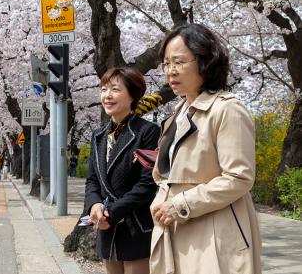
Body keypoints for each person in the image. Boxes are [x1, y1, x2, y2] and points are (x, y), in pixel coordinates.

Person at [150, 23, 262, 274]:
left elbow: (239, 177)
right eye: (166, 63)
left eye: (179, 62)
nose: (170, 71)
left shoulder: (227, 109)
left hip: (215, 232)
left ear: (205, 61)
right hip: (177, 227)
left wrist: (180, 204)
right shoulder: (176, 115)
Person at [85, 67, 160, 274]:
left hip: (135, 225)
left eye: (115, 89)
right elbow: (92, 180)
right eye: (103, 89)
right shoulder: (98, 135)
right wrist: (95, 205)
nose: (107, 96)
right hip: (106, 227)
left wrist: (113, 213)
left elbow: (147, 184)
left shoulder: (147, 132)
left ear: (132, 95)